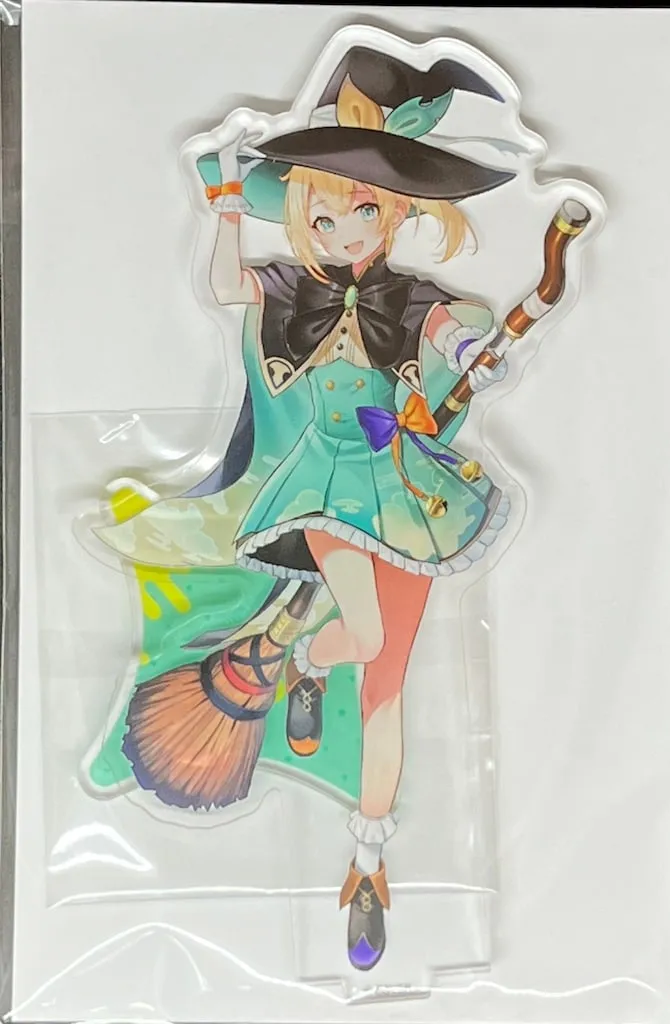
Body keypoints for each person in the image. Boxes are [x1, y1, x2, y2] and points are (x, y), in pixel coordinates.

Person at [96, 51, 515, 971]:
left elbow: (458, 330)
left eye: (363, 210)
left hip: (412, 495)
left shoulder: (414, 297)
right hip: (324, 486)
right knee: (365, 632)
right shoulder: (291, 288)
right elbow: (224, 288)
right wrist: (223, 209)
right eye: (320, 216)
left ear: (396, 212)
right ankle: (309, 654)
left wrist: (473, 352)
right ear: (298, 218)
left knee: (387, 682)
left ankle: (368, 860)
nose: (341, 231)